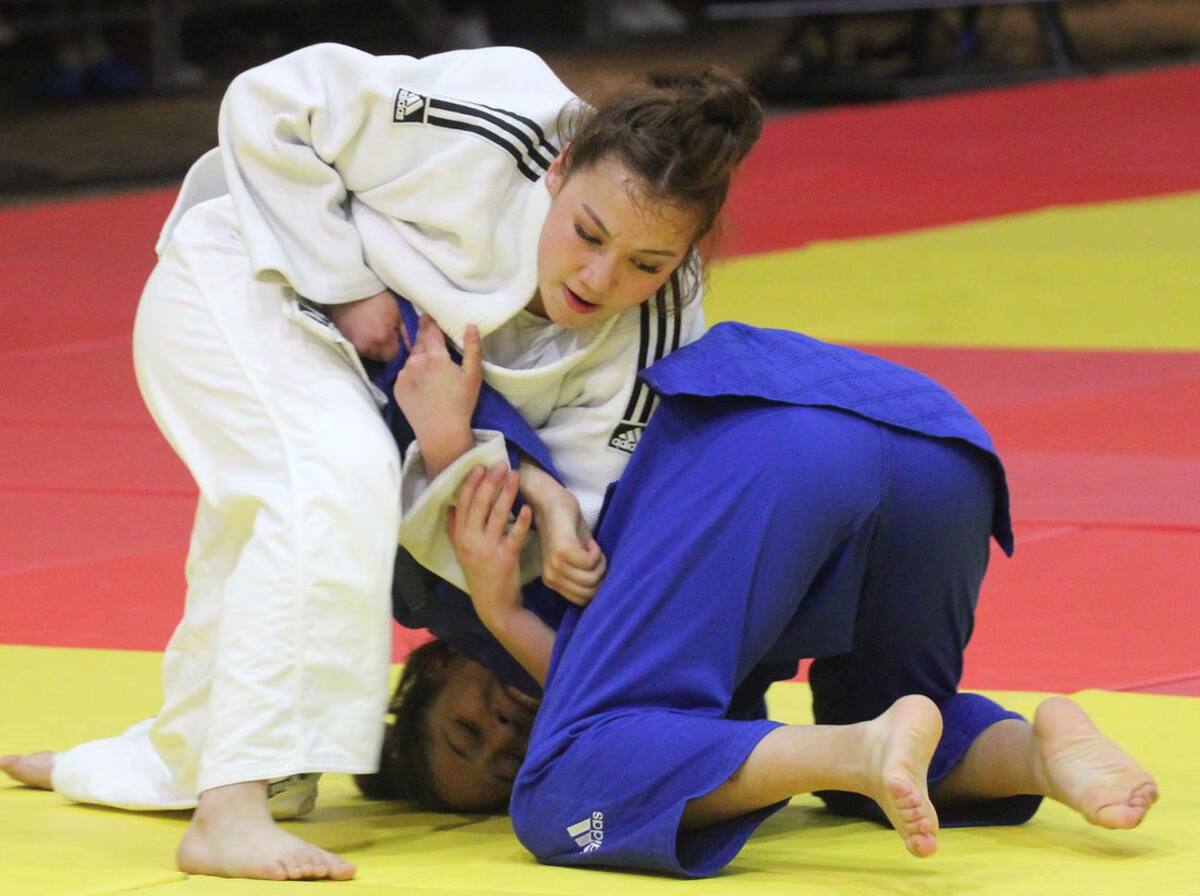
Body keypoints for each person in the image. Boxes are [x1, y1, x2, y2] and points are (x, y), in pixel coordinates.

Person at [0, 44, 763, 882]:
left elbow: (555, 523)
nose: (600, 276)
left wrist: (521, 490)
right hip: (250, 274)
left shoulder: (660, 327)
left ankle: (184, 763)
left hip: (379, 396)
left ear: (688, 254)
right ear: (562, 167)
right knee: (334, 478)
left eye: (647, 265)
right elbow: (271, 101)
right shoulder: (495, 119)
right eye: (588, 233)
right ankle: (228, 813)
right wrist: (342, 278)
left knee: (279, 518)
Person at [366, 321, 1159, 872]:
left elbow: (420, 357)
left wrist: (499, 600)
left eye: (465, 732)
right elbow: (675, 726)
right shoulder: (634, 689)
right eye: (502, 763)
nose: (503, 735)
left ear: (433, 671)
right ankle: (1036, 756)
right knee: (884, 728)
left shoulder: (448, 572)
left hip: (768, 455)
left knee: (562, 805)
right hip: (937, 448)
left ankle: (853, 753)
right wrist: (510, 618)